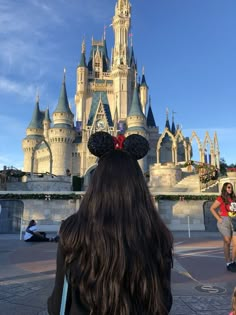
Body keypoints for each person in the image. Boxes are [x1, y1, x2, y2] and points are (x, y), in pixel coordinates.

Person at [48, 131, 173, 315]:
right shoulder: (157, 233)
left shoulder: (72, 231)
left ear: (96, 183)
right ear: (138, 184)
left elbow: (57, 304)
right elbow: (164, 302)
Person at [210, 182, 236, 272]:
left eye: (231, 187)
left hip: (234, 220)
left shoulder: (234, 198)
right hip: (224, 221)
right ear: (225, 188)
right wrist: (218, 218)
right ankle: (228, 263)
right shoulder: (221, 198)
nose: (230, 189)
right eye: (228, 187)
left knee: (235, 243)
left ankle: (233, 262)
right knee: (227, 241)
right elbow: (212, 208)